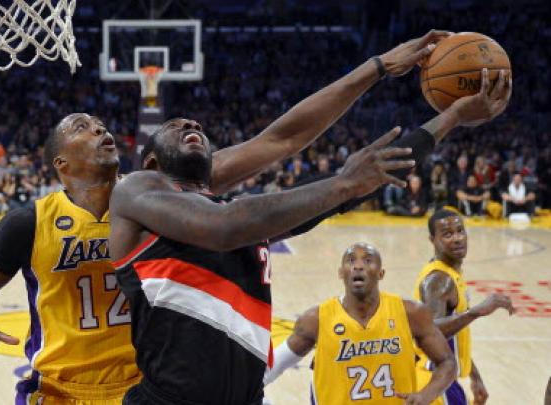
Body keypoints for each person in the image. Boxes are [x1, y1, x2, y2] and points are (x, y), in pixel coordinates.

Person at [108, 66, 511, 404]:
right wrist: (342, 184)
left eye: (194, 124)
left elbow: (368, 174)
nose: (191, 124)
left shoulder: (249, 216)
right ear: (151, 160)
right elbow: (227, 226)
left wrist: (452, 116)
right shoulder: (136, 192)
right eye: (176, 126)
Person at [264, 243, 457, 405]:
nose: (358, 266)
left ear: (381, 273)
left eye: (367, 260)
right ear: (341, 272)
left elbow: (447, 362)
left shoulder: (410, 313)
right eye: (351, 260)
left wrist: (426, 395)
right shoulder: (316, 319)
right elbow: (274, 367)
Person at [413, 209, 516, 405]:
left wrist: (473, 374)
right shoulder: (438, 280)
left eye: (460, 231)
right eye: (448, 234)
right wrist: (476, 312)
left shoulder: (450, 274)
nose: (457, 238)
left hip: (445, 379)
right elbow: (430, 332)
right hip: (434, 380)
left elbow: (455, 336)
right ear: (432, 239)